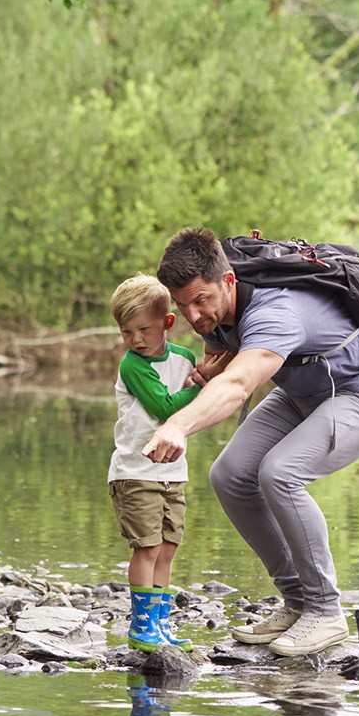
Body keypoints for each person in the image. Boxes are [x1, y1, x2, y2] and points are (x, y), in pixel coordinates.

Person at [141, 227, 359, 656]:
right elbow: (227, 361)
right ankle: (298, 601)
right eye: (182, 304)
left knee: (280, 473)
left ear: (228, 281)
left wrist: (178, 426)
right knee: (229, 475)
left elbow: (240, 383)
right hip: (304, 393)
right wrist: (209, 368)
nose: (192, 314)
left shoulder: (275, 309)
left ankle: (325, 612)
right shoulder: (216, 309)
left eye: (201, 300)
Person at [108, 275, 203, 652]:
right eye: (126, 331)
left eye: (143, 329)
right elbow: (165, 407)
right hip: (135, 473)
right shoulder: (133, 365)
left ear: (167, 322)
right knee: (146, 548)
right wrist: (200, 388)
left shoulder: (184, 358)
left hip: (172, 473)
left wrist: (206, 378)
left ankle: (160, 621)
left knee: (167, 547)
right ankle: (141, 624)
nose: (135, 339)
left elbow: (194, 402)